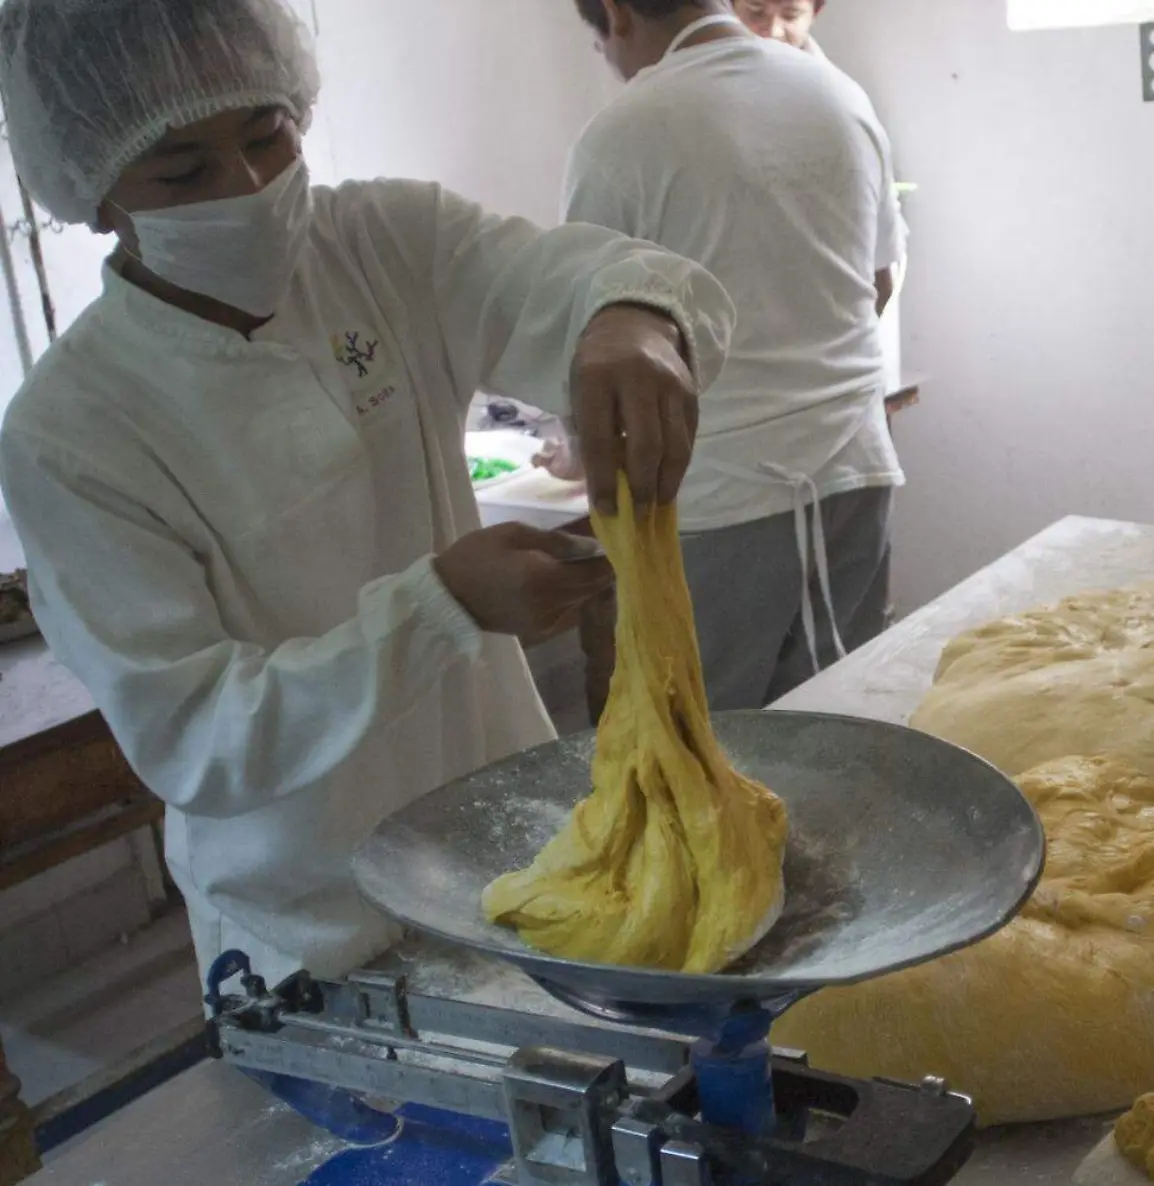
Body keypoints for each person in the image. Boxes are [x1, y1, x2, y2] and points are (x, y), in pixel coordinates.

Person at [0, 0, 736, 989]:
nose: (251, 187)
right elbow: (199, 738)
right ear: (93, 191)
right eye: (185, 170)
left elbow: (566, 278)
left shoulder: (380, 243)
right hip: (313, 936)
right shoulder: (72, 431)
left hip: (512, 854)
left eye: (269, 133)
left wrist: (630, 316)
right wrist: (437, 609)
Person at [566, 0, 905, 710]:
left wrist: (579, 450)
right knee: (843, 726)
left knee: (707, 749)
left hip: (723, 498)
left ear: (617, 14)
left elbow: (590, 339)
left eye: (602, 48)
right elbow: (878, 280)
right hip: (855, 469)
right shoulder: (840, 96)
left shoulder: (621, 133)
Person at [734, 0, 824, 59]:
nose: (773, 32)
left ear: (814, 14)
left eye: (790, 15)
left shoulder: (829, 85)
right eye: (757, 13)